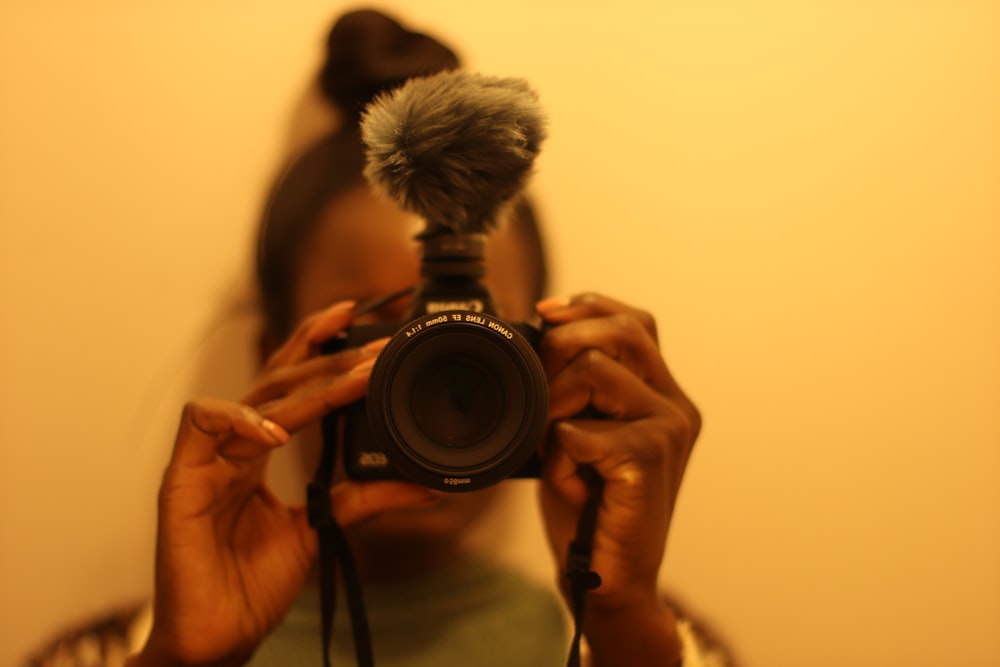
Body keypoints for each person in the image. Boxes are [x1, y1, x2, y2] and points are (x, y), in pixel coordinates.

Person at [33, 9, 725, 667]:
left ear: (548, 363)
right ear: (276, 355)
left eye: (474, 343)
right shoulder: (118, 651)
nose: (431, 387)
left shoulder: (633, 632)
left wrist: (629, 632)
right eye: (389, 332)